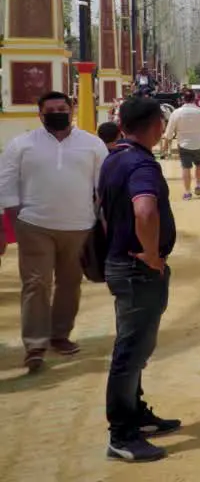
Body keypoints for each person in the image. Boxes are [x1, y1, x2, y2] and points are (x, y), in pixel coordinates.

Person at [0, 91, 108, 373]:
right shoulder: (21, 144)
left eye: (63, 107)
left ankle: (59, 335)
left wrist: (101, 219)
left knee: (70, 283)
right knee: (36, 283)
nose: (57, 112)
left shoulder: (92, 144)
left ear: (72, 110)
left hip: (80, 226)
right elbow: (6, 182)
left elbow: (103, 186)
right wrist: (17, 217)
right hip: (34, 225)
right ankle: (35, 345)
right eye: (51, 109)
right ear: (40, 114)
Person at [98, 96, 181, 462]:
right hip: (138, 270)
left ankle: (135, 413)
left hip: (121, 263)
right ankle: (122, 434)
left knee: (136, 347)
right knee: (131, 352)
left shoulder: (114, 157)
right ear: (157, 126)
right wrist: (150, 254)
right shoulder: (142, 165)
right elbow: (144, 210)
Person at [162, 91, 200, 201]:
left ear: (183, 99)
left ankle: (187, 192)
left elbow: (169, 132)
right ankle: (198, 185)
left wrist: (164, 148)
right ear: (194, 99)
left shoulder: (176, 113)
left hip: (184, 144)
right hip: (199, 143)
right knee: (199, 164)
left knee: (186, 168)